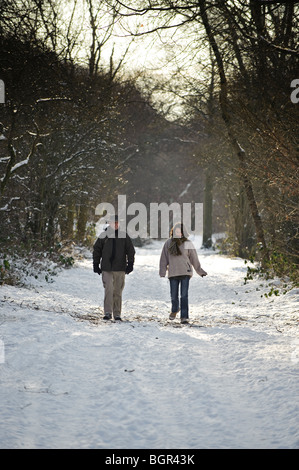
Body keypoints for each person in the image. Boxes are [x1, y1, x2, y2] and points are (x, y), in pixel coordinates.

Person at [159, 223, 207, 324]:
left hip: (185, 272)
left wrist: (200, 271)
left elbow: (194, 258)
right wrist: (162, 271)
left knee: (184, 295)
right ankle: (175, 309)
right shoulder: (168, 243)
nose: (178, 233)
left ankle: (184, 317)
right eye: (176, 231)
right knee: (174, 296)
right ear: (173, 232)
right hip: (173, 273)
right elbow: (163, 258)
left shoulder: (188, 243)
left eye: (180, 232)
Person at [93, 215, 135, 321]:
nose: (116, 224)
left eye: (117, 222)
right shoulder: (104, 236)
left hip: (120, 268)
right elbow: (97, 250)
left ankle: (117, 313)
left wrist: (130, 264)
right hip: (107, 268)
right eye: (113, 222)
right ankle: (107, 312)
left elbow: (131, 251)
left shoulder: (124, 236)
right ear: (109, 223)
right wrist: (96, 264)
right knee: (108, 289)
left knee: (117, 291)